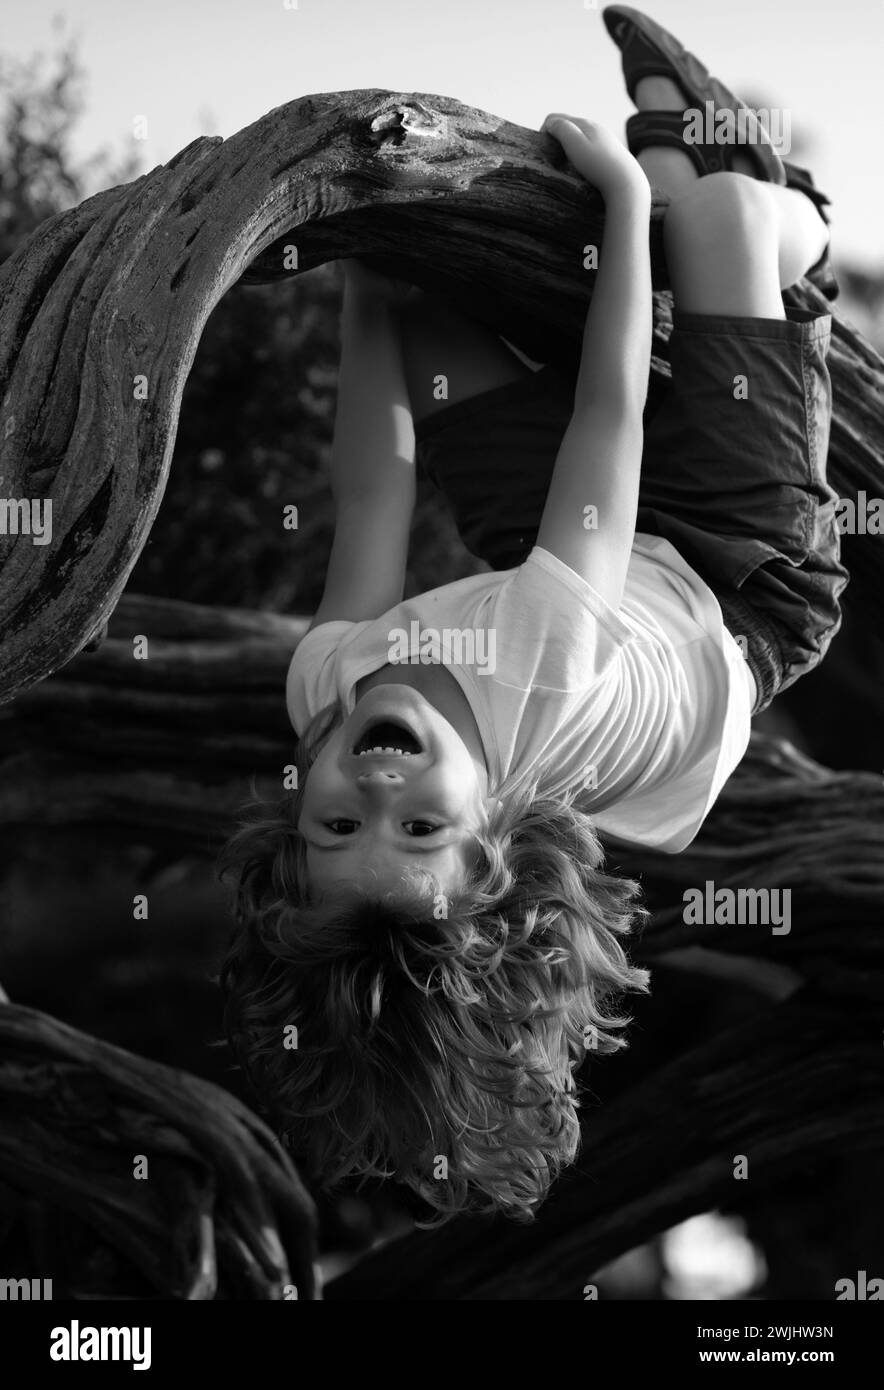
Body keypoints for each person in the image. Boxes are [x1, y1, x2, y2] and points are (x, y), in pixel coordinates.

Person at [220, 7, 847, 1221]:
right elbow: (607, 427)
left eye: (339, 825)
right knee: (712, 219)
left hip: (560, 547)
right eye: (416, 837)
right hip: (734, 568)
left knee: (422, 308)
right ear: (494, 841)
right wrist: (617, 203)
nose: (378, 795)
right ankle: (794, 217)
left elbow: (371, 492)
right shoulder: (537, 669)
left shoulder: (319, 694)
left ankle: (673, 204)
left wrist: (359, 264)